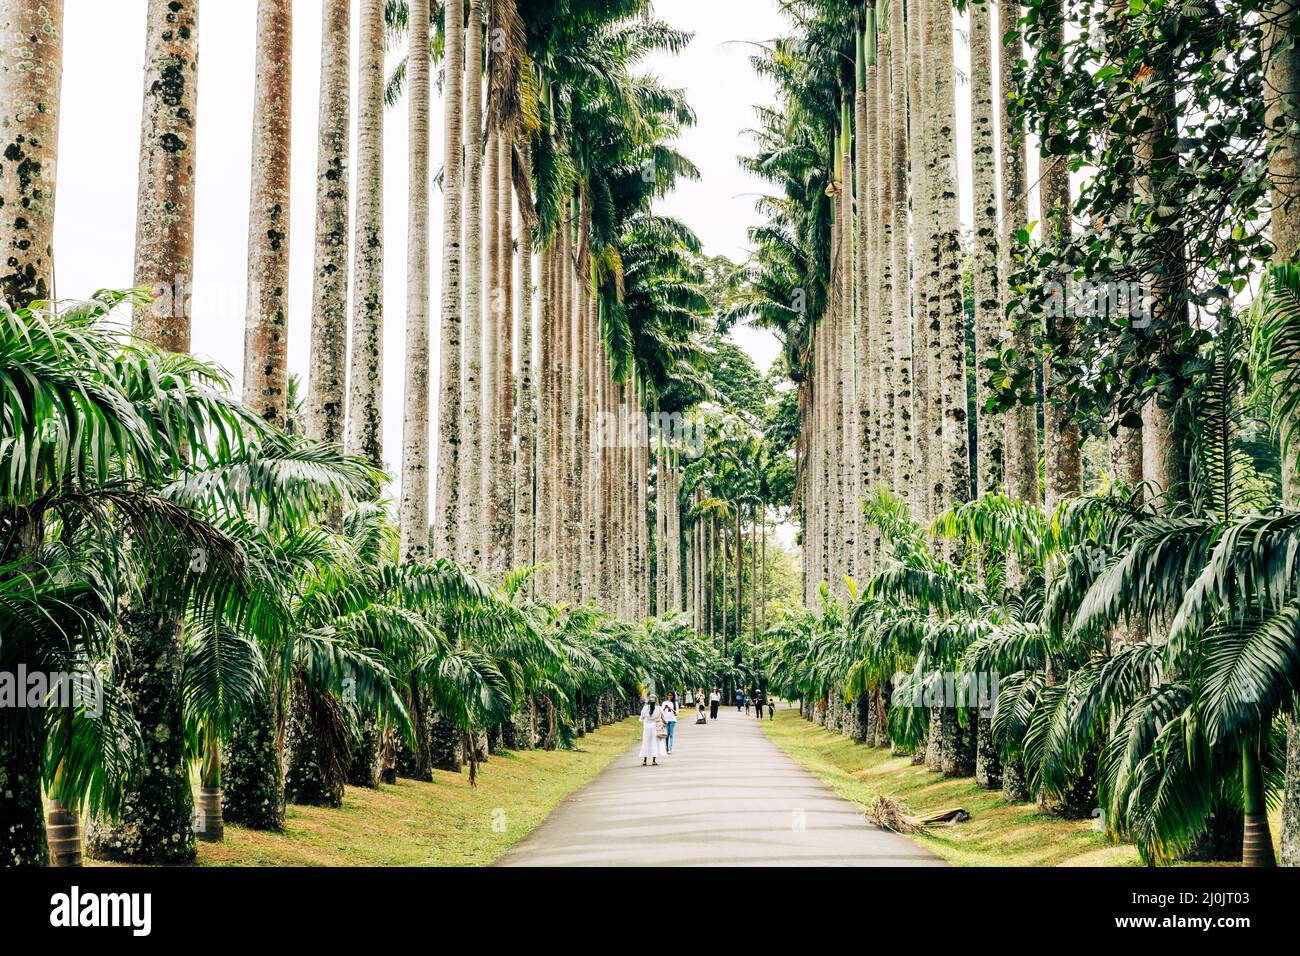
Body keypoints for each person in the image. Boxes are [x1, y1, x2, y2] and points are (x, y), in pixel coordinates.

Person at [639, 695, 663, 766]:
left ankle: (644, 761)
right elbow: (661, 717)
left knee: (645, 742)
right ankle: (653, 761)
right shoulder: (658, 708)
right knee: (654, 742)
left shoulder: (645, 708)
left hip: (647, 727)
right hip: (655, 727)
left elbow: (641, 718)